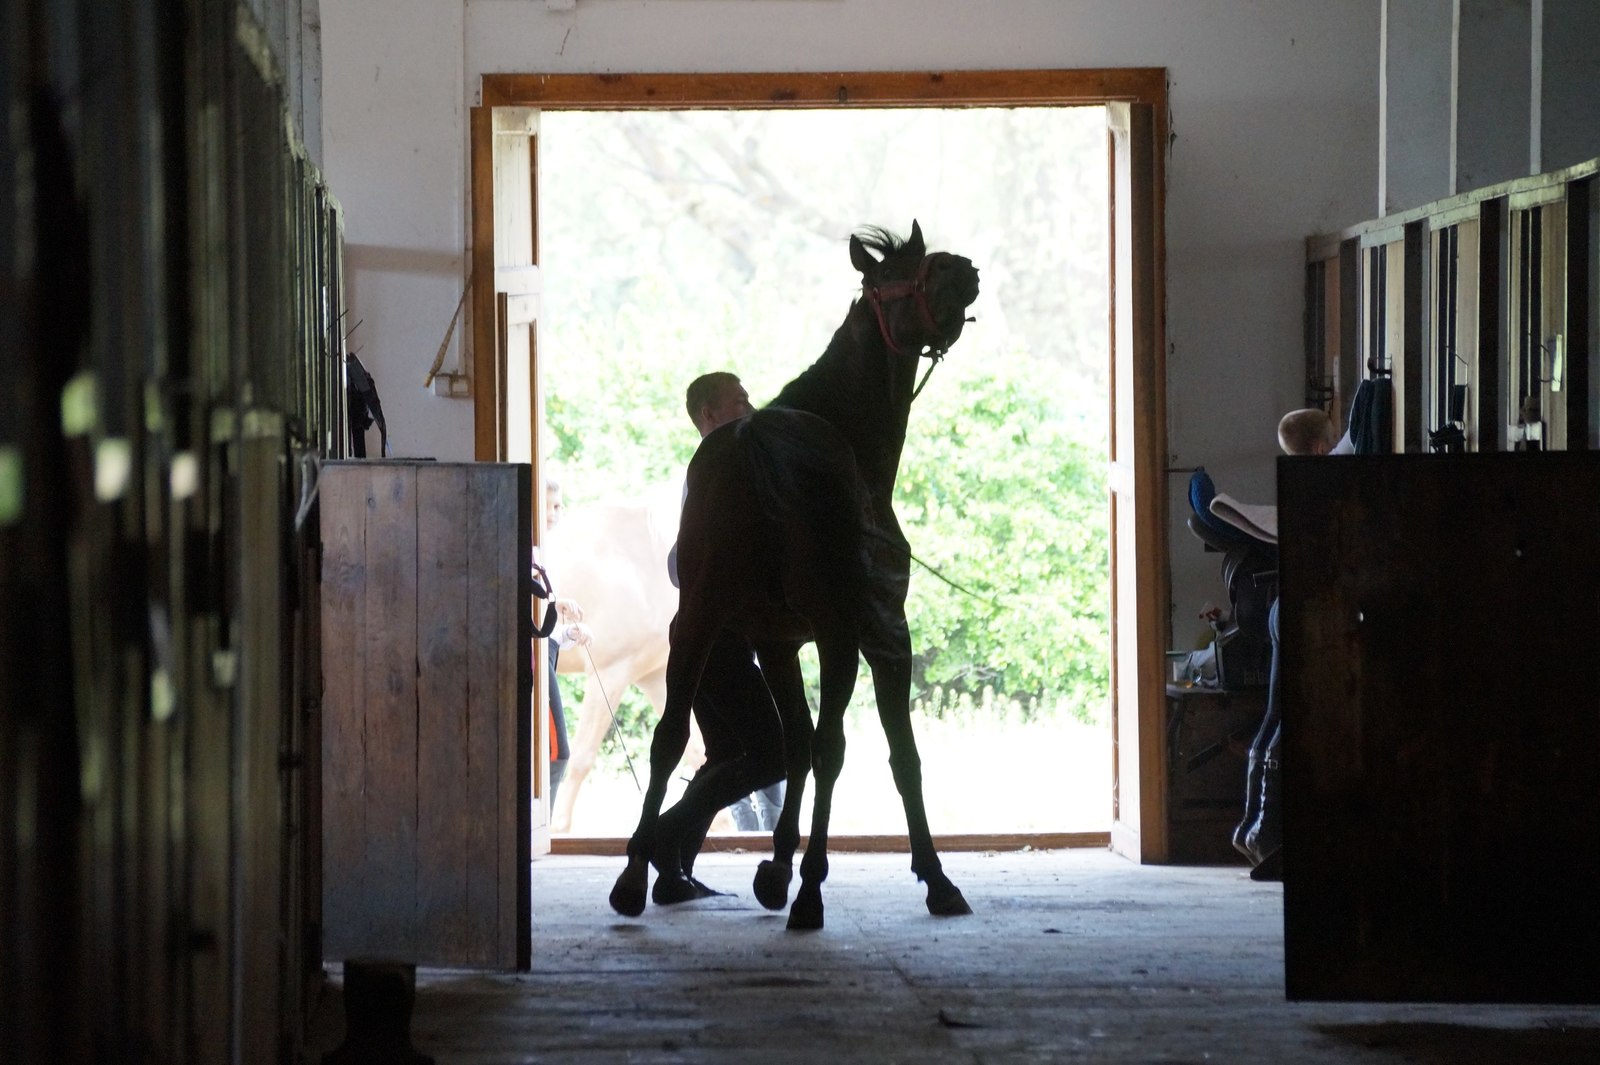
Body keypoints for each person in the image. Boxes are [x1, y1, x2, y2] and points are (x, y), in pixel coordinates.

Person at [652, 371, 788, 902]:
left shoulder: (715, 474)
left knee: (727, 753)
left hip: (707, 638)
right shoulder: (715, 475)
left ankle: (673, 873)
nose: (751, 408)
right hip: (718, 641)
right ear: (709, 416)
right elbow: (681, 565)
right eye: (739, 401)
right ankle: (665, 836)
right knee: (770, 755)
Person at [1232, 407, 1345, 882]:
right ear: (1322, 447)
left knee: (1276, 713)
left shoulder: (1291, 481)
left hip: (1281, 603)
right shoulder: (1328, 484)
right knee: (1291, 718)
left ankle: (1251, 827)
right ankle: (1268, 832)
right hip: (1304, 607)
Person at [536, 476, 591, 808]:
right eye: (551, 505)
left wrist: (570, 633)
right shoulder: (530, 553)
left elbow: (546, 622)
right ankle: (542, 829)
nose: (557, 512)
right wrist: (555, 608)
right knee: (557, 753)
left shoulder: (547, 553)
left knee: (551, 751)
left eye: (560, 506)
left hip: (548, 651)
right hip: (534, 656)